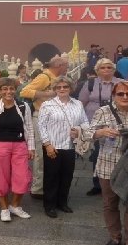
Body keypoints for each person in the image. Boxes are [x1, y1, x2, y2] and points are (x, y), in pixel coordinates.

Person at [83, 80, 128, 245]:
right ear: (114, 95)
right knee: (110, 203)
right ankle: (115, 237)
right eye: (120, 94)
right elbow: (88, 134)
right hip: (108, 164)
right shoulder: (103, 111)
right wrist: (101, 132)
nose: (124, 97)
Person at [0, 77, 35, 221]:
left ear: (15, 90)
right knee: (0, 178)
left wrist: (31, 147)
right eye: (5, 89)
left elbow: (29, 127)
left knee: (23, 177)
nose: (8, 91)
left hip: (19, 145)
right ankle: (4, 208)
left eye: (11, 88)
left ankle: (15, 205)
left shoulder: (23, 107)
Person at [37, 76, 89, 218]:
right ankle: (49, 205)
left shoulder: (77, 104)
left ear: (70, 88)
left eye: (65, 86)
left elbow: (85, 122)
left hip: (70, 146)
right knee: (51, 177)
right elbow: (41, 126)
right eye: (58, 87)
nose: (62, 89)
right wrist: (47, 144)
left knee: (67, 176)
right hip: (53, 146)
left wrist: (78, 129)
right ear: (54, 89)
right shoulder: (47, 105)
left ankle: (62, 202)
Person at [19, 56, 68, 199]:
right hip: (41, 116)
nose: (67, 68)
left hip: (56, 117)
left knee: (54, 150)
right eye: (66, 65)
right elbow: (25, 91)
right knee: (41, 153)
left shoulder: (57, 77)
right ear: (59, 65)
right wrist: (47, 94)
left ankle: (49, 184)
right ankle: (37, 187)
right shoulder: (44, 76)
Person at [78, 58, 121, 196]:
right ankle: (98, 183)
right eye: (103, 67)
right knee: (97, 154)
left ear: (113, 70)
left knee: (114, 153)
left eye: (109, 67)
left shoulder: (120, 83)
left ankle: (115, 183)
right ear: (97, 70)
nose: (106, 70)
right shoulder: (90, 84)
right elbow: (81, 103)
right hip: (94, 123)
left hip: (114, 123)